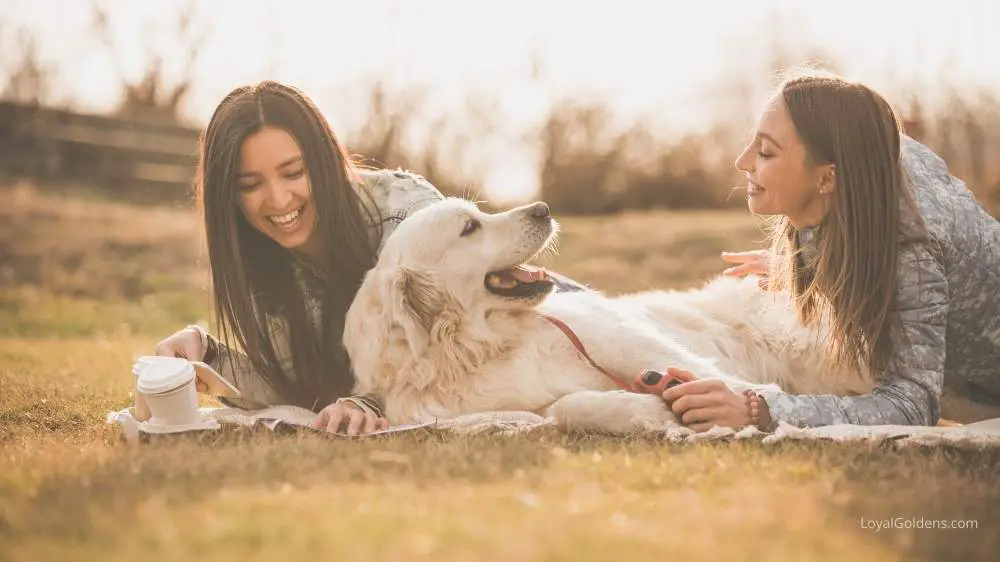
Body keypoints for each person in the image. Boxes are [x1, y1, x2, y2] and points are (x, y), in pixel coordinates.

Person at [152, 80, 586, 435]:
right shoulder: (261, 259)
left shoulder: (406, 212)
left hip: (558, 328)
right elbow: (293, 383)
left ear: (322, 162)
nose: (278, 198)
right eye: (251, 184)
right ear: (229, 196)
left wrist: (369, 399)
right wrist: (206, 356)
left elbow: (442, 344)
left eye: (293, 173)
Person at [636, 72, 1000, 432]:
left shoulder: (910, 250)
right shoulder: (867, 158)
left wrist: (755, 409)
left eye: (765, 151)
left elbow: (911, 404)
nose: (743, 162)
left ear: (827, 178)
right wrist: (808, 265)